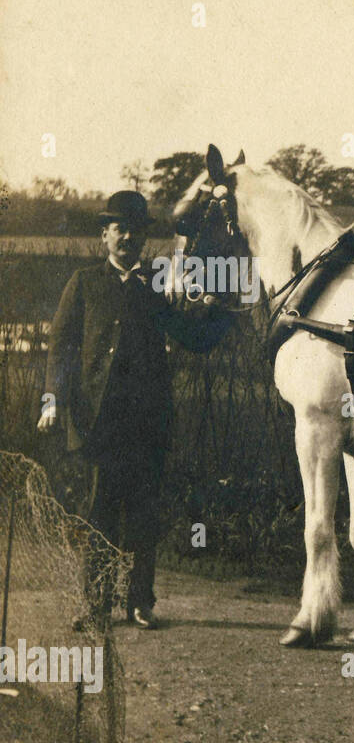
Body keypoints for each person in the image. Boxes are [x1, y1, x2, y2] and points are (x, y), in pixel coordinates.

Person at [38, 190, 233, 627]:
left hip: (147, 421)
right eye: (118, 230)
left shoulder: (157, 286)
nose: (127, 238)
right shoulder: (84, 283)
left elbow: (190, 335)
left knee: (144, 513)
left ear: (144, 239)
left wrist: (221, 312)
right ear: (104, 235)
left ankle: (140, 601)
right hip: (97, 422)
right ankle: (95, 604)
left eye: (135, 231)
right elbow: (60, 347)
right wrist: (53, 398)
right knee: (99, 511)